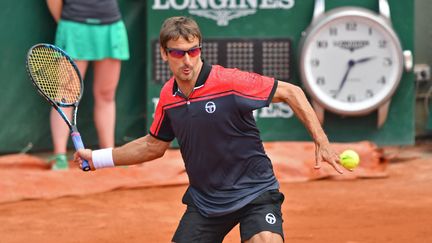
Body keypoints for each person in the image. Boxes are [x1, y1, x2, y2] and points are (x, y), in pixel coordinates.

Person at [74, 16, 346, 243]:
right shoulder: (169, 98)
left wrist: (321, 141)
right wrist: (96, 158)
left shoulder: (230, 82)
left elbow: (292, 92)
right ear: (164, 53)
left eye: (193, 51)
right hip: (207, 203)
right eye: (178, 53)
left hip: (255, 192)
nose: (187, 61)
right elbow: (152, 146)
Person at [46, 0, 130, 170]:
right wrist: (68, 23)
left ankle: (108, 155)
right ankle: (60, 156)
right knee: (66, 96)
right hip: (74, 26)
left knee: (106, 94)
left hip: (110, 25)